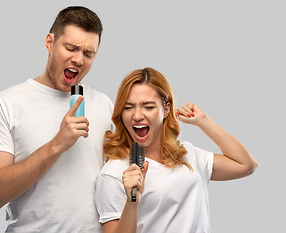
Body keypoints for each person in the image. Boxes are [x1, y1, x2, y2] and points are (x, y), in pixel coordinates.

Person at [0, 6, 114, 232]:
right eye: (71, 48)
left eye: (89, 53)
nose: (79, 59)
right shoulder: (4, 105)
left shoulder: (104, 104)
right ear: (50, 43)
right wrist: (58, 144)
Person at [95, 67, 258, 233]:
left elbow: (246, 165)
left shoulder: (188, 154)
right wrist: (132, 202)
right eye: (128, 107)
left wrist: (203, 121)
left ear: (166, 109)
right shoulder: (115, 172)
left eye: (148, 107)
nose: (137, 115)